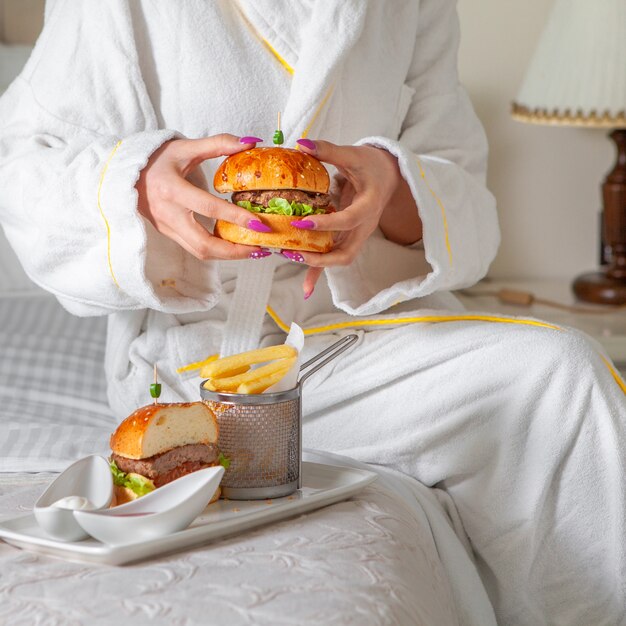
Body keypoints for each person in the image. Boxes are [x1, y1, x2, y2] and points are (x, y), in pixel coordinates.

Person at [0, 1, 624, 623]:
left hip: (368, 335)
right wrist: (135, 187)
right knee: (556, 376)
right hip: (197, 358)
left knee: (560, 373)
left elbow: (461, 189)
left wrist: (388, 187)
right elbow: (25, 166)